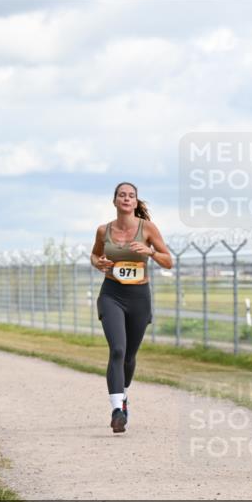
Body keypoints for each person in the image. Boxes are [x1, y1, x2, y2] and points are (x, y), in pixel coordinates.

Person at [89, 182, 172, 433]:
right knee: (117, 350)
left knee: (129, 356)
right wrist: (99, 263)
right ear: (114, 201)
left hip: (139, 297)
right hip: (111, 294)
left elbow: (168, 261)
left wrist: (150, 252)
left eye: (131, 196)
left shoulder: (147, 228)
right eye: (122, 195)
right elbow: (94, 255)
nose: (126, 198)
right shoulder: (103, 230)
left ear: (135, 202)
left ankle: (123, 397)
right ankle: (116, 410)